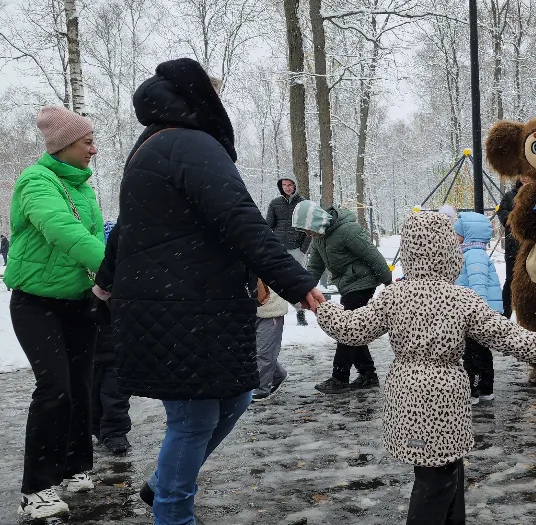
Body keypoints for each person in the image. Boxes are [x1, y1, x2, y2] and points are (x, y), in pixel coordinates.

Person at [94, 58, 323, 525]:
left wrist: (105, 280)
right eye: (216, 95)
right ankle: (172, 513)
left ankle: (162, 485)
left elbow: (127, 231)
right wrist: (297, 282)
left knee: (235, 396)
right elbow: (241, 219)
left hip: (184, 302)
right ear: (200, 99)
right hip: (184, 306)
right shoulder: (190, 144)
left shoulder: (152, 146)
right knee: (193, 419)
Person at [313, 211, 536, 525]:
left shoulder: (393, 297)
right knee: (437, 479)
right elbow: (502, 333)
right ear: (449, 253)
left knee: (444, 471)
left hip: (407, 393)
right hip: (444, 396)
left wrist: (320, 306)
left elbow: (352, 328)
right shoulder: (461, 299)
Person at [5, 105, 104, 519]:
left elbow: (96, 233)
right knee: (55, 389)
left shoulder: (83, 186)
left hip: (78, 302)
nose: (94, 150)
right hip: (36, 304)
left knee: (81, 386)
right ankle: (37, 488)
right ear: (63, 144)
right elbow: (62, 229)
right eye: (87, 142)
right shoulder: (36, 182)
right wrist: (113, 268)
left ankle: (74, 466)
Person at [296, 200, 393, 394]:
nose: (307, 234)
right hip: (347, 285)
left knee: (346, 329)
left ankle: (340, 377)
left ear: (316, 222)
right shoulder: (319, 238)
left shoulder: (347, 230)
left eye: (307, 229)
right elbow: (315, 267)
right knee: (353, 330)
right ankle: (368, 374)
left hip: (363, 282)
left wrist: (389, 283)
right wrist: (304, 290)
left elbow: (372, 255)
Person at [91, 220, 132, 455]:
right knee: (93, 389)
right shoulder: (86, 280)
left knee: (115, 392)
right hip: (95, 344)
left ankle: (115, 431)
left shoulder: (124, 278)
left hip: (117, 345)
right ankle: (97, 427)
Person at [454, 211, 502, 404]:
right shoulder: (472, 253)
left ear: (468, 234)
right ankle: (484, 388)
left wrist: (476, 314)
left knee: (472, 353)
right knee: (480, 351)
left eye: (457, 234)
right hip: (475, 313)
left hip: (474, 315)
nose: (454, 237)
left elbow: (478, 286)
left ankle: (474, 390)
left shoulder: (473, 255)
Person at [266, 176, 311, 326]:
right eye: (284, 185)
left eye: (290, 185)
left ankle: (301, 312)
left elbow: (309, 229)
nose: (287, 187)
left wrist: (303, 249)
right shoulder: (275, 203)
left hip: (297, 249)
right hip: (279, 249)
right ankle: (276, 312)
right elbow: (268, 226)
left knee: (297, 281)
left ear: (295, 186)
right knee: (277, 280)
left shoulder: (303, 204)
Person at [495, 176, 527, 320]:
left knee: (530, 282)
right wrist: (515, 218)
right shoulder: (510, 195)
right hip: (513, 247)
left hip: (532, 247)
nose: (526, 178)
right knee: (510, 281)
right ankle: (505, 313)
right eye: (523, 174)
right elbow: (502, 213)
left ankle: (527, 313)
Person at [253, 280, 290, 401]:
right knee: (253, 350)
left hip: (271, 309)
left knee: (264, 351)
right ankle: (277, 375)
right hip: (249, 308)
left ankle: (262, 389)